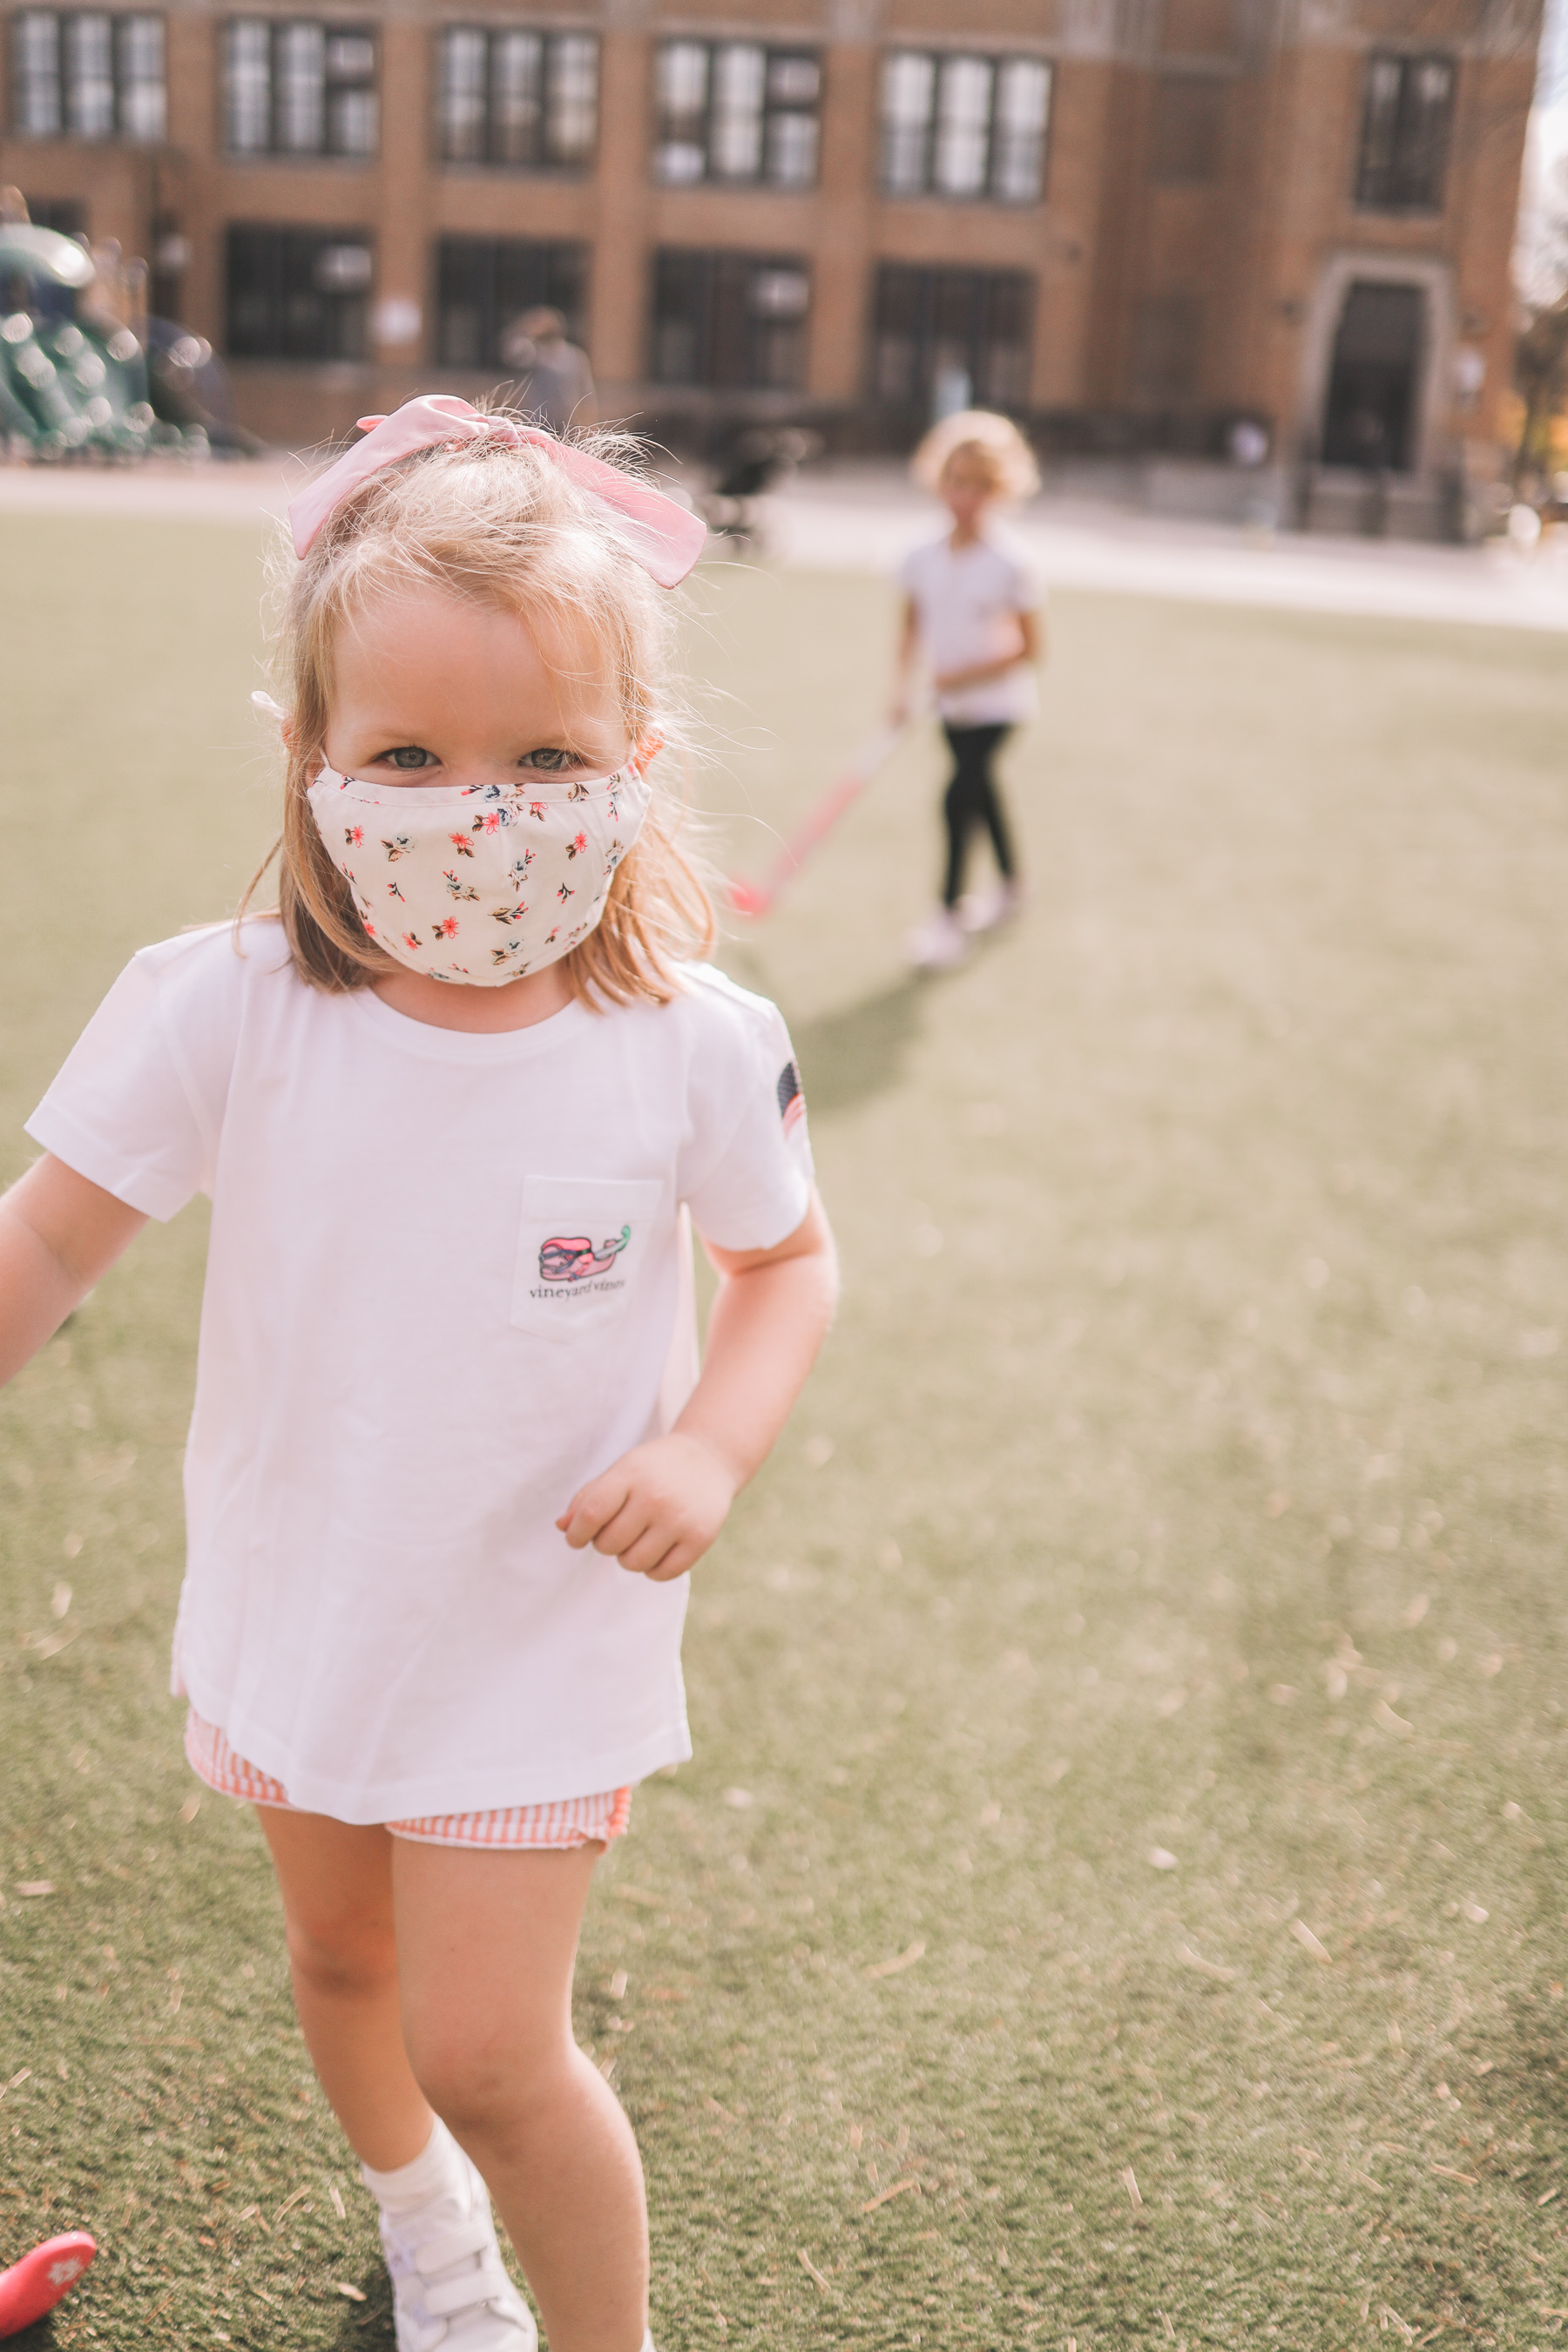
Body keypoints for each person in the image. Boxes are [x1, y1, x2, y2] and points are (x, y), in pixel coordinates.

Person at [0, 395, 838, 2352]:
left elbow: (787, 1264)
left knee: (493, 2049)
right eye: (410, 755)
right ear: (313, 763)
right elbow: (47, 1237)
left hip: (542, 1635)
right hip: (310, 1600)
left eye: (544, 756)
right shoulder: (225, 1008)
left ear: (637, 764)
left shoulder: (690, 1044)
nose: (482, 810)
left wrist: (715, 1444)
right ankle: (434, 2251)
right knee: (337, 1957)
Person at [890, 409, 1044, 972]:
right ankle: (1012, 883)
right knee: (982, 793)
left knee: (959, 797)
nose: (965, 496)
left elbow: (1030, 649)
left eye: (980, 486)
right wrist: (899, 692)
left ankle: (946, 918)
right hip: (948, 710)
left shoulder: (1012, 561)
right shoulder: (920, 556)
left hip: (998, 709)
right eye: (956, 481)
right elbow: (909, 627)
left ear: (1000, 489)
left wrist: (964, 674)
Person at [500, 306, 595, 437]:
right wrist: (524, 329)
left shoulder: (574, 356)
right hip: (536, 423)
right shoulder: (532, 353)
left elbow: (586, 393)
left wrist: (586, 424)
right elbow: (510, 352)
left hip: (566, 424)